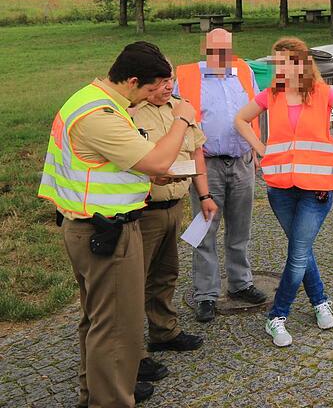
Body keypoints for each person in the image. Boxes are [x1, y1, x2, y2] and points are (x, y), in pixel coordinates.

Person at [38, 41, 195, 408]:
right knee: (116, 328)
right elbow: (157, 160)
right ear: (134, 80)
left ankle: (94, 393)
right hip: (104, 232)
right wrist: (182, 119)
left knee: (98, 320)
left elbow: (108, 163)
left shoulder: (93, 100)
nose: (157, 95)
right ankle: (108, 400)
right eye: (153, 89)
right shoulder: (99, 114)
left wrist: (143, 179)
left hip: (92, 224)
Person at [232, 37, 333, 348]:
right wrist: (260, 148)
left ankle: (276, 316)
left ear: (302, 63)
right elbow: (240, 119)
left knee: (296, 255)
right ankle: (320, 300)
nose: (281, 68)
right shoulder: (271, 95)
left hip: (316, 188)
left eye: (287, 62)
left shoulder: (321, 93)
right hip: (280, 188)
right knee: (301, 249)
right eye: (277, 62)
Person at [174, 28, 265, 323]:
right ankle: (205, 295)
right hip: (207, 165)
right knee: (205, 231)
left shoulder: (243, 72)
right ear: (204, 49)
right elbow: (175, 121)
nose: (221, 57)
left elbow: (256, 112)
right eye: (215, 51)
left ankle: (240, 283)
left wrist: (256, 151)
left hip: (241, 162)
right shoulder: (187, 78)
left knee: (241, 229)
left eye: (226, 50)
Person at [131, 73, 217, 383]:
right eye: (161, 80)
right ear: (143, 81)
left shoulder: (182, 108)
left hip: (174, 206)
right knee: (133, 283)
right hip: (143, 211)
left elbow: (196, 154)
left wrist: (205, 195)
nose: (168, 86)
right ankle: (135, 354)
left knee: (166, 273)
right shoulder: (130, 111)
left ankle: (163, 332)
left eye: (172, 79)